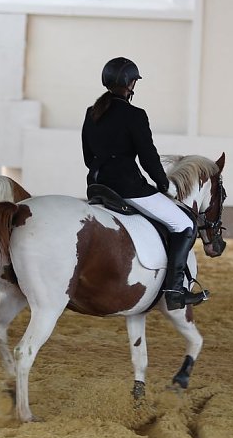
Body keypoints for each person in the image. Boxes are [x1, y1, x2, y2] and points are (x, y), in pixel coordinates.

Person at [81, 57, 206, 310]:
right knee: (184, 223)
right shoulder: (135, 115)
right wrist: (164, 185)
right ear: (129, 84)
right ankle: (174, 290)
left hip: (97, 185)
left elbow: (87, 157)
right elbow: (148, 157)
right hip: (128, 187)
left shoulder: (92, 112)